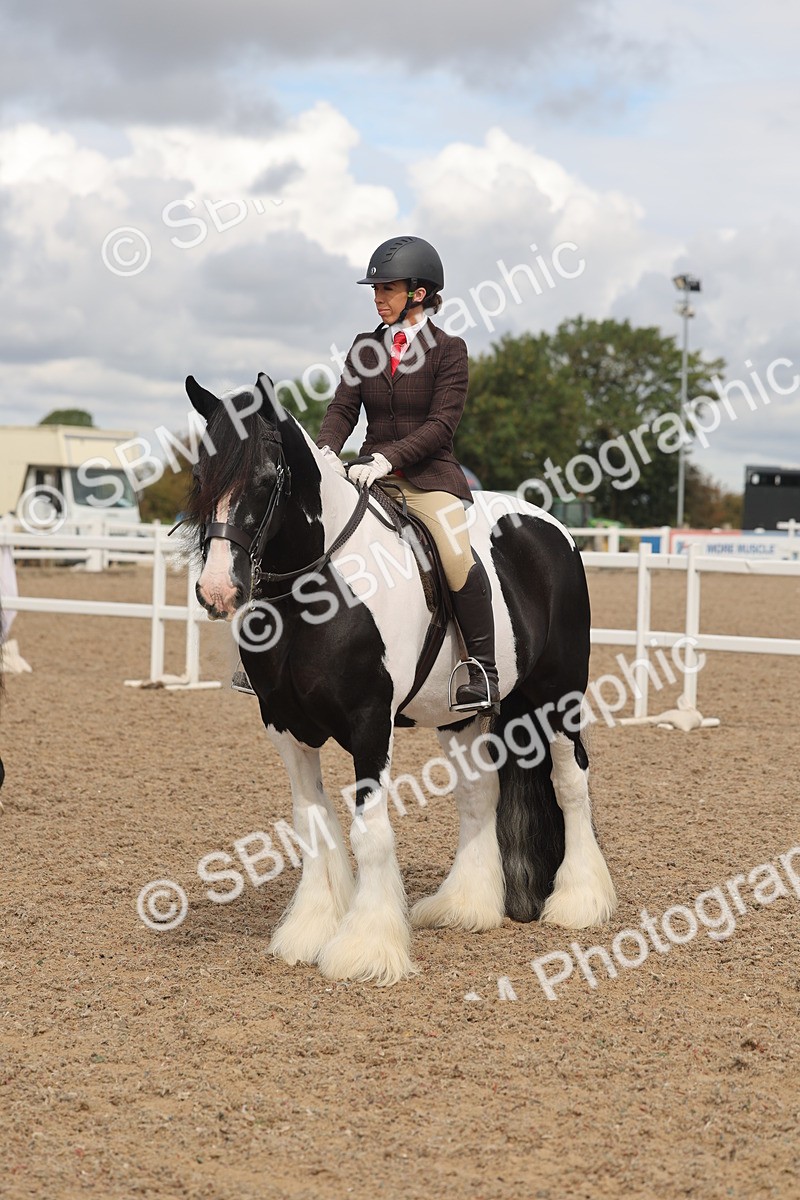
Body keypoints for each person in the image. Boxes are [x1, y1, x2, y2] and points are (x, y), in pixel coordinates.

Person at [316, 235, 499, 710]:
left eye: (387, 289)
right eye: (375, 290)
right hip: (367, 474)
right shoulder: (365, 347)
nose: (378, 298)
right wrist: (326, 451)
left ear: (418, 293)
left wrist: (388, 459)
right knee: (305, 528)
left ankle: (482, 669)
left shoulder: (449, 350)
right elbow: (343, 408)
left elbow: (441, 426)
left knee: (455, 556)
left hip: (428, 479)